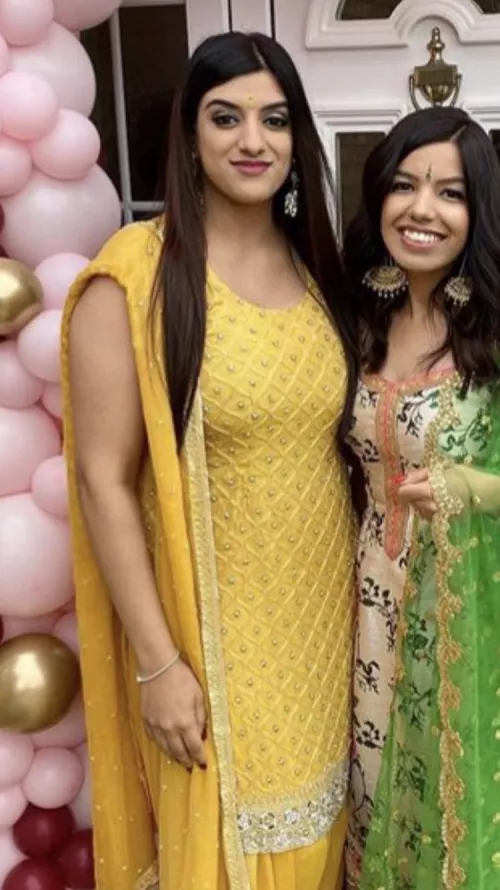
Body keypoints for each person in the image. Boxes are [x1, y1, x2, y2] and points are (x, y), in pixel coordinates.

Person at [61, 31, 358, 890]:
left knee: (324, 838)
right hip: (217, 648)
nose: (252, 140)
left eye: (275, 120)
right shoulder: (139, 277)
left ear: (298, 139)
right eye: (226, 118)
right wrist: (160, 665)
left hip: (325, 633)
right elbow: (103, 481)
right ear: (190, 137)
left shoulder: (316, 268)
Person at [343, 105, 500, 889]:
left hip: (463, 609)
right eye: (405, 185)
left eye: (451, 192)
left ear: (478, 212)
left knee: (449, 813)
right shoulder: (355, 320)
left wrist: (475, 488)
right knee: (374, 790)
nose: (423, 209)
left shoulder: (492, 332)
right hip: (364, 603)